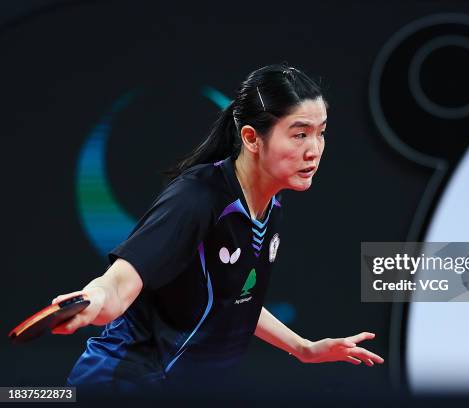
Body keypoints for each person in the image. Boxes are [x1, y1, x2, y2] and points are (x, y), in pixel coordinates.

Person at [52, 63, 384, 395]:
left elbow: (236, 298)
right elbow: (120, 283)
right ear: (252, 138)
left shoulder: (270, 205)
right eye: (299, 134)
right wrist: (94, 299)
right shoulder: (196, 199)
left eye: (320, 132)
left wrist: (303, 349)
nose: (314, 150)